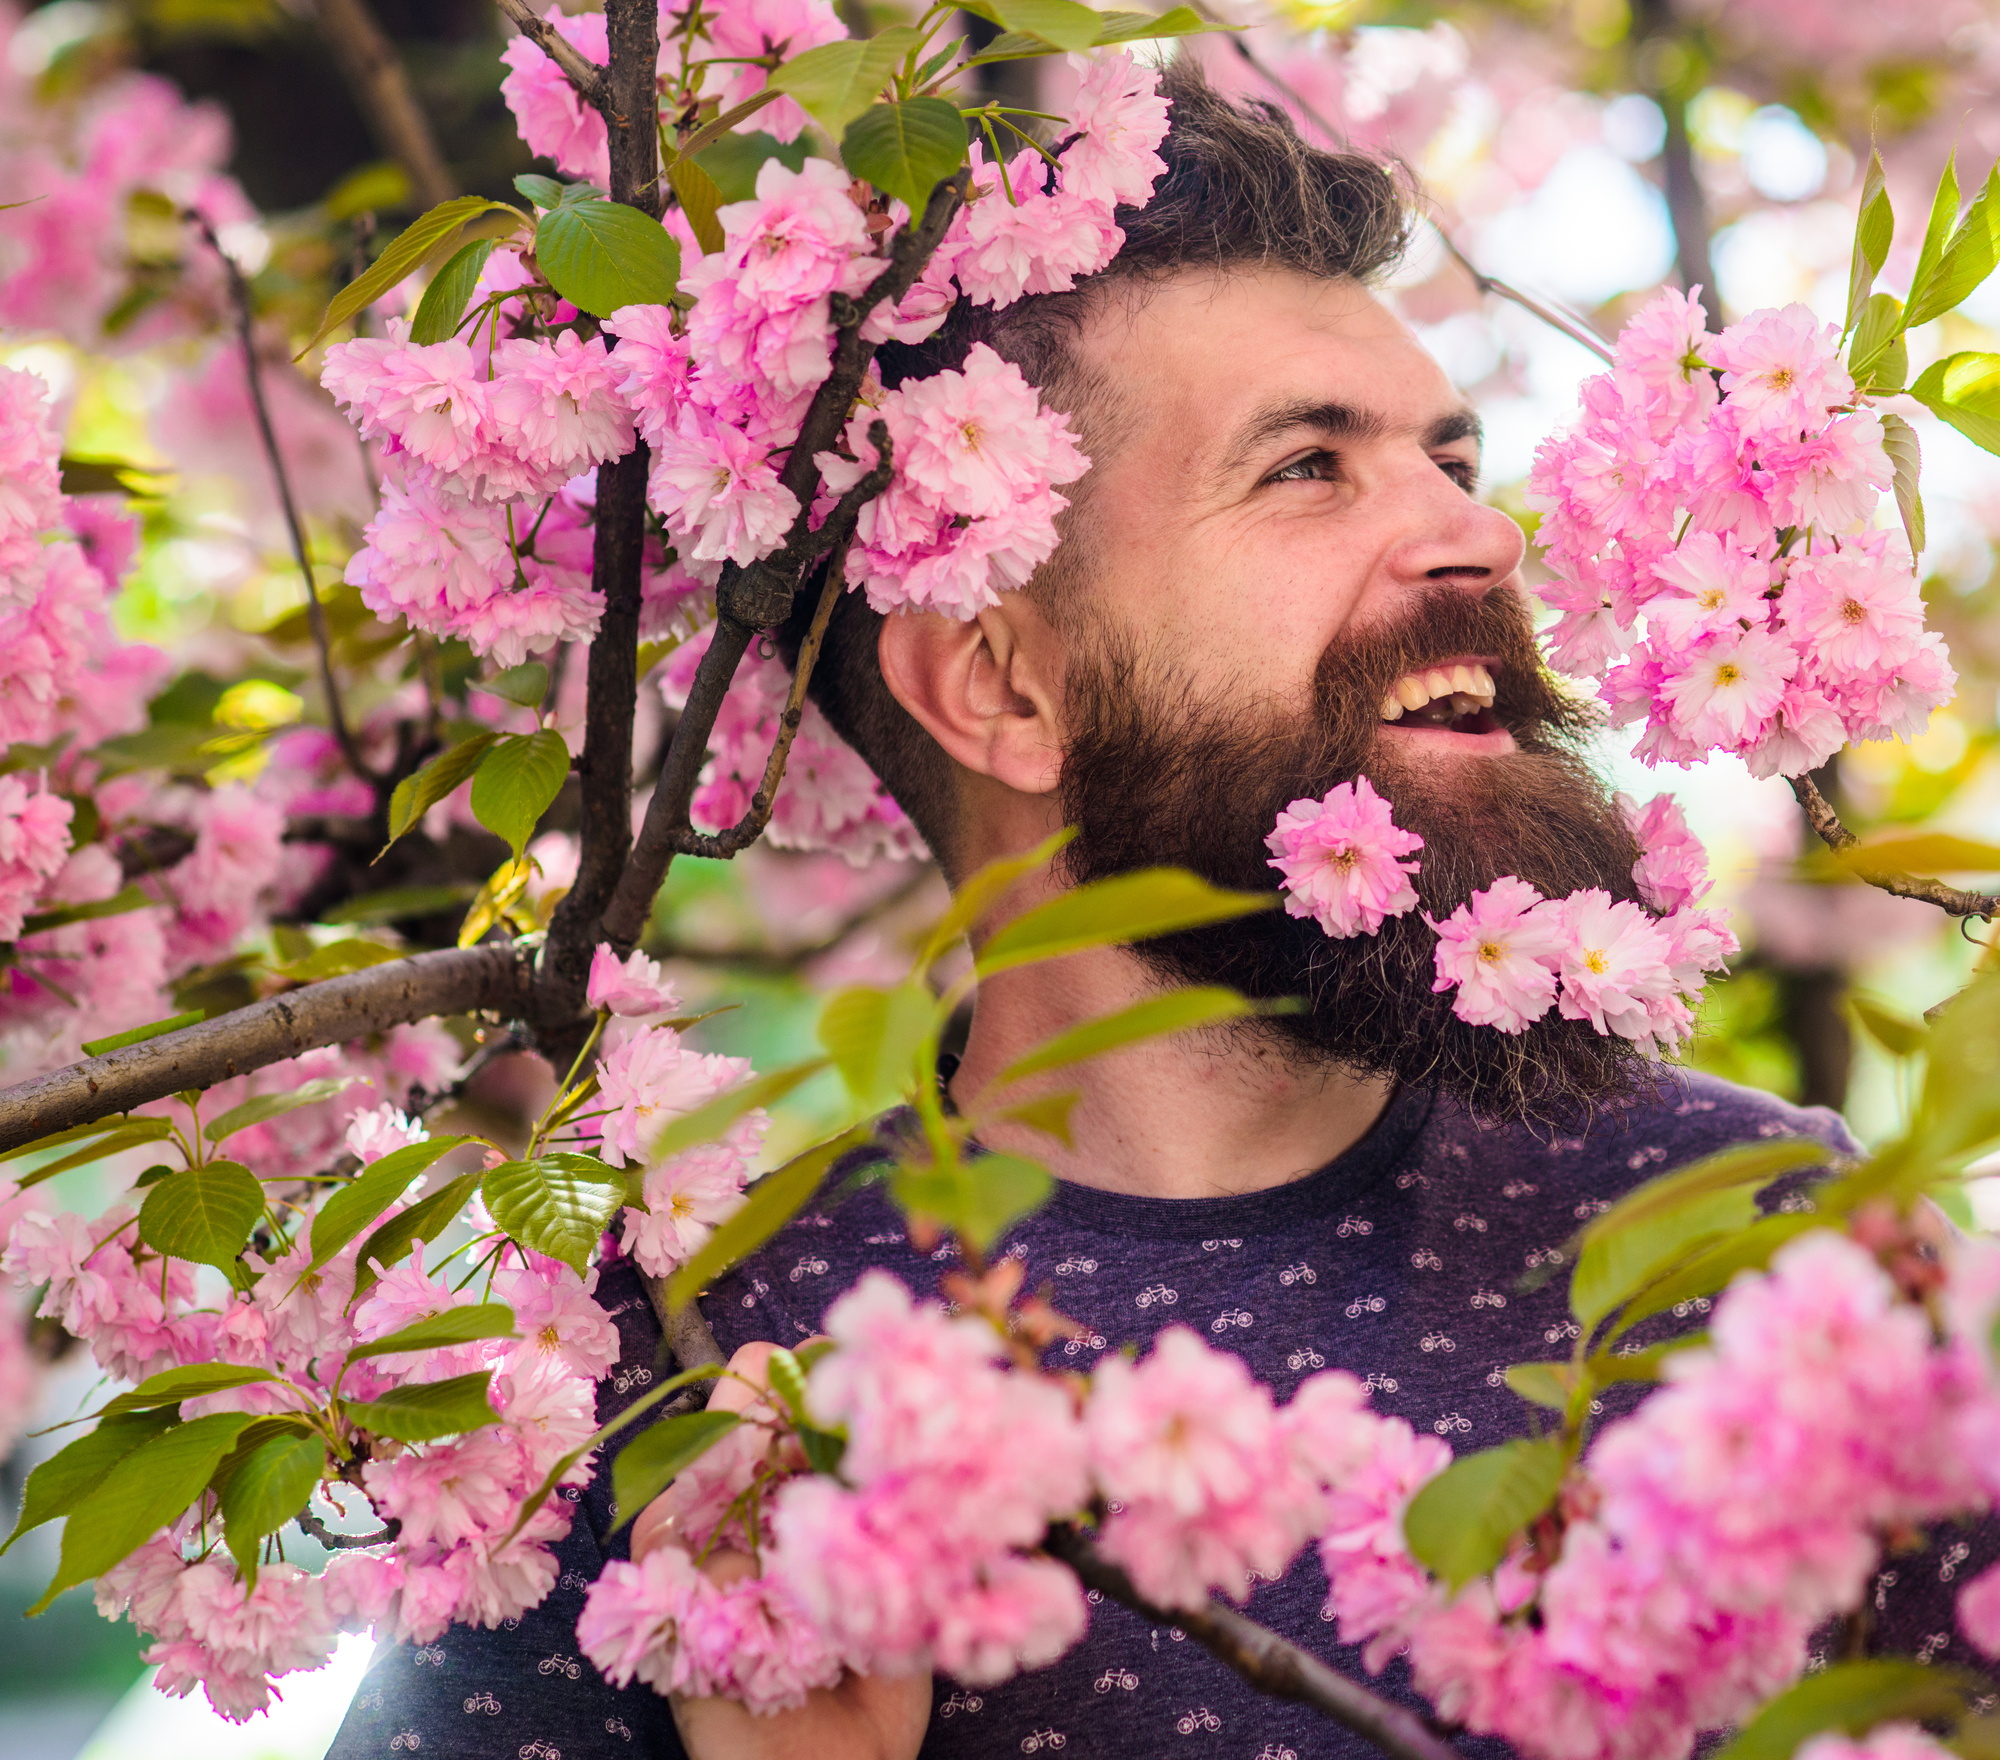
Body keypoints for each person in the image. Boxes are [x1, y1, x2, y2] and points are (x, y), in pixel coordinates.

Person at [329, 63, 1991, 1760]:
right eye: (1305, 470)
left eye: (1449, 455)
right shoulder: (674, 1398)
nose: (1479, 533)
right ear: (1001, 683)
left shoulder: (1784, 1246)